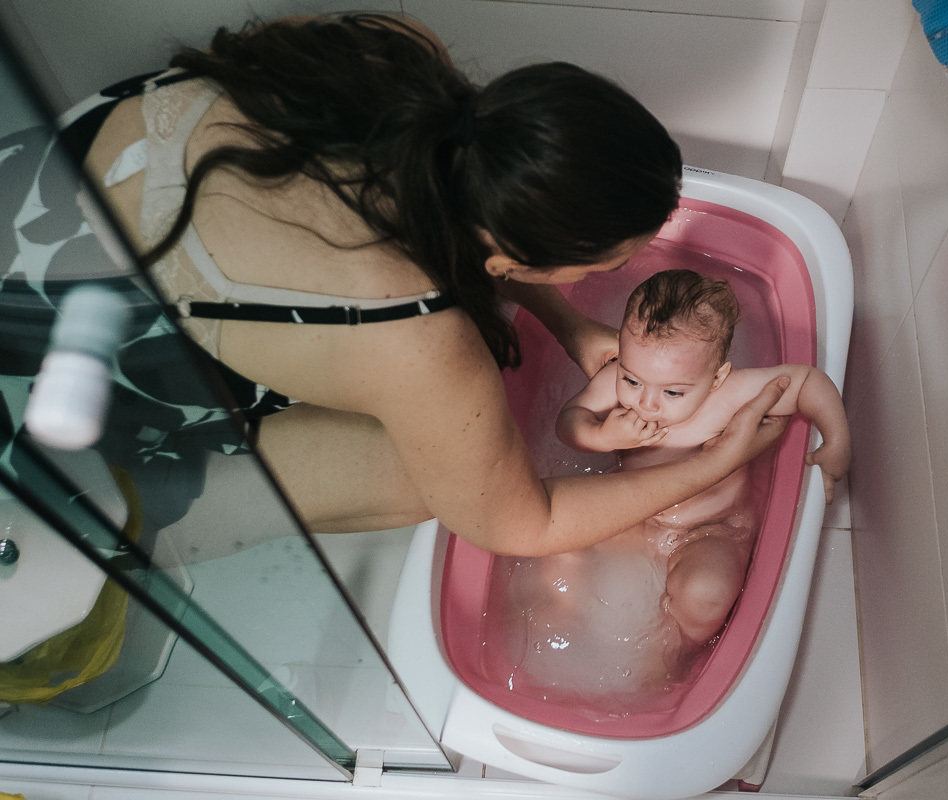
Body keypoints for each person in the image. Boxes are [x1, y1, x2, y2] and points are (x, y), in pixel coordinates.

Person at [60, 12, 790, 555]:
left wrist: (568, 323)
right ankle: (139, 517)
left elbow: (476, 223)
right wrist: (714, 464)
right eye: (601, 269)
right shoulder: (416, 343)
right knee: (429, 475)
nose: (608, 278)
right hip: (52, 391)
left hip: (52, 194)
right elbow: (518, 523)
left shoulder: (399, 57)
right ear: (514, 262)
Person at [555, 269, 850, 644]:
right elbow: (568, 421)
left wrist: (837, 442)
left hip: (709, 528)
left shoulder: (728, 395)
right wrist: (600, 434)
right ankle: (566, 611)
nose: (646, 403)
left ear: (716, 378)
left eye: (673, 393)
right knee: (561, 540)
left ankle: (678, 651)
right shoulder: (616, 381)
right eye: (632, 380)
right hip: (631, 513)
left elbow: (808, 381)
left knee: (706, 594)